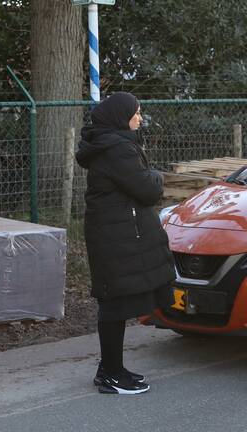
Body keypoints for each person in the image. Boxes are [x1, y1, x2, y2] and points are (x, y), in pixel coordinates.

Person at [75, 92, 176, 395]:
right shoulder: (118, 149)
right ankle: (110, 373)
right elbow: (146, 189)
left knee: (114, 303)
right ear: (122, 116)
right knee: (114, 304)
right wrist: (157, 176)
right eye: (137, 112)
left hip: (113, 233)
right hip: (115, 236)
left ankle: (112, 368)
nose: (140, 117)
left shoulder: (111, 145)